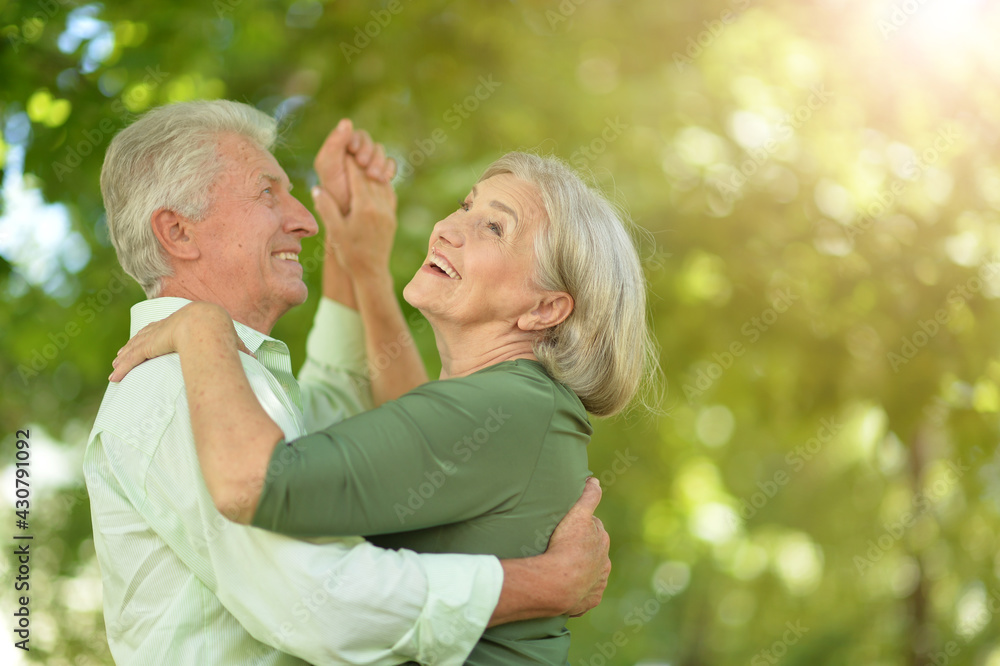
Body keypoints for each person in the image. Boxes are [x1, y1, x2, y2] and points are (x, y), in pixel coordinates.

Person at [86, 99, 610, 666]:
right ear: (179, 232)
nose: (305, 221)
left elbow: (338, 403)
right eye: (268, 192)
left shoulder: (225, 377)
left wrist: (350, 242)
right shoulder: (175, 387)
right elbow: (320, 603)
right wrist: (541, 585)